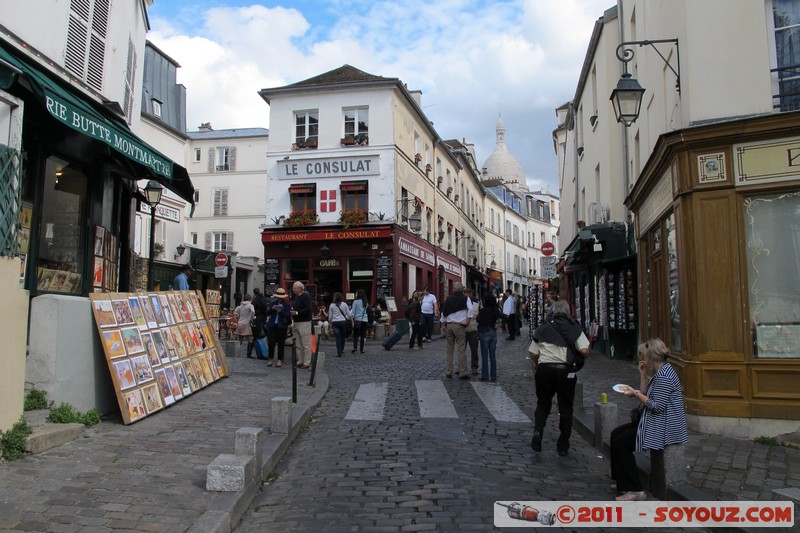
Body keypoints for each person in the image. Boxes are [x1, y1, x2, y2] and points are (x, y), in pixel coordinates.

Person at [610, 339, 688, 501]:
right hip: (654, 420)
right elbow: (646, 392)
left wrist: (636, 394)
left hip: (663, 427)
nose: (643, 359)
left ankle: (635, 489)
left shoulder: (665, 376)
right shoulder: (661, 372)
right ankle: (622, 480)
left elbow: (656, 406)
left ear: (652, 357)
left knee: (621, 443)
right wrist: (643, 374)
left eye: (645, 356)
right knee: (615, 434)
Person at [528, 299, 590, 456]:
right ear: (568, 311)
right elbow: (584, 350)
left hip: (544, 370)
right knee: (566, 407)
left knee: (542, 403)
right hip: (564, 371)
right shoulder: (574, 327)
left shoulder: (543, 327)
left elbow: (533, 352)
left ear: (553, 311)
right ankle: (563, 444)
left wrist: (536, 364)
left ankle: (538, 432)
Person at [440, 282, 473, 379]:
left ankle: (449, 371)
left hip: (449, 325)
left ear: (453, 289)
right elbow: (470, 310)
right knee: (461, 349)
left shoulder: (448, 299)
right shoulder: (465, 298)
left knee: (449, 349)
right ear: (462, 289)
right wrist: (467, 321)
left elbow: (444, 312)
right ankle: (462, 372)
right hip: (459, 326)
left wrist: (443, 325)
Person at [477, 292, 501, 381]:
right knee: (492, 355)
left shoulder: (483, 310)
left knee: (484, 356)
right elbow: (505, 317)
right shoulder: (495, 310)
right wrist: (499, 324)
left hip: (484, 332)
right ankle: (493, 376)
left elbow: (478, 319)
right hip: (493, 333)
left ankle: (485, 375)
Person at [265, 288, 292, 367]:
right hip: (272, 325)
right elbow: (267, 312)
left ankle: (279, 360)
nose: (279, 298)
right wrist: (273, 309)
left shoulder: (286, 305)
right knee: (271, 343)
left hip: (282, 326)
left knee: (281, 343)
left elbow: (288, 315)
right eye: (278, 296)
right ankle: (270, 359)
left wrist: (281, 311)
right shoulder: (272, 303)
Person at [290, 281, 313, 369]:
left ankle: (307, 362)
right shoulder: (297, 297)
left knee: (306, 343)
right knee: (298, 343)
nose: (293, 289)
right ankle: (300, 360)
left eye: (294, 288)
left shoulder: (306, 296)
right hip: (296, 322)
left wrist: (297, 312)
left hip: (304, 322)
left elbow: (308, 309)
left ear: (300, 288)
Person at [328, 292, 351, 357]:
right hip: (343, 322)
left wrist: (330, 322)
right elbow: (348, 314)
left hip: (335, 322)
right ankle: (342, 349)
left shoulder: (332, 305)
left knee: (338, 337)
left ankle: (339, 351)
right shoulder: (344, 304)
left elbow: (330, 316)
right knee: (343, 337)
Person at [464, 288, 481, 375]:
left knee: (474, 350)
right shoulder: (462, 302)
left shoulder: (475, 303)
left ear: (471, 294)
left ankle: (474, 367)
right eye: (465, 293)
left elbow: (475, 315)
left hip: (473, 328)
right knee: (462, 350)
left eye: (468, 293)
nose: (466, 294)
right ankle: (462, 367)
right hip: (463, 329)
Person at [234, 294, 256, 358]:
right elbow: (253, 311)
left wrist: (238, 318)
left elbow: (236, 313)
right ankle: (248, 354)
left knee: (239, 340)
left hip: (240, 323)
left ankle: (237, 353)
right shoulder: (250, 305)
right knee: (250, 339)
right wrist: (251, 319)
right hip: (246, 323)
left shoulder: (241, 306)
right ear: (250, 299)